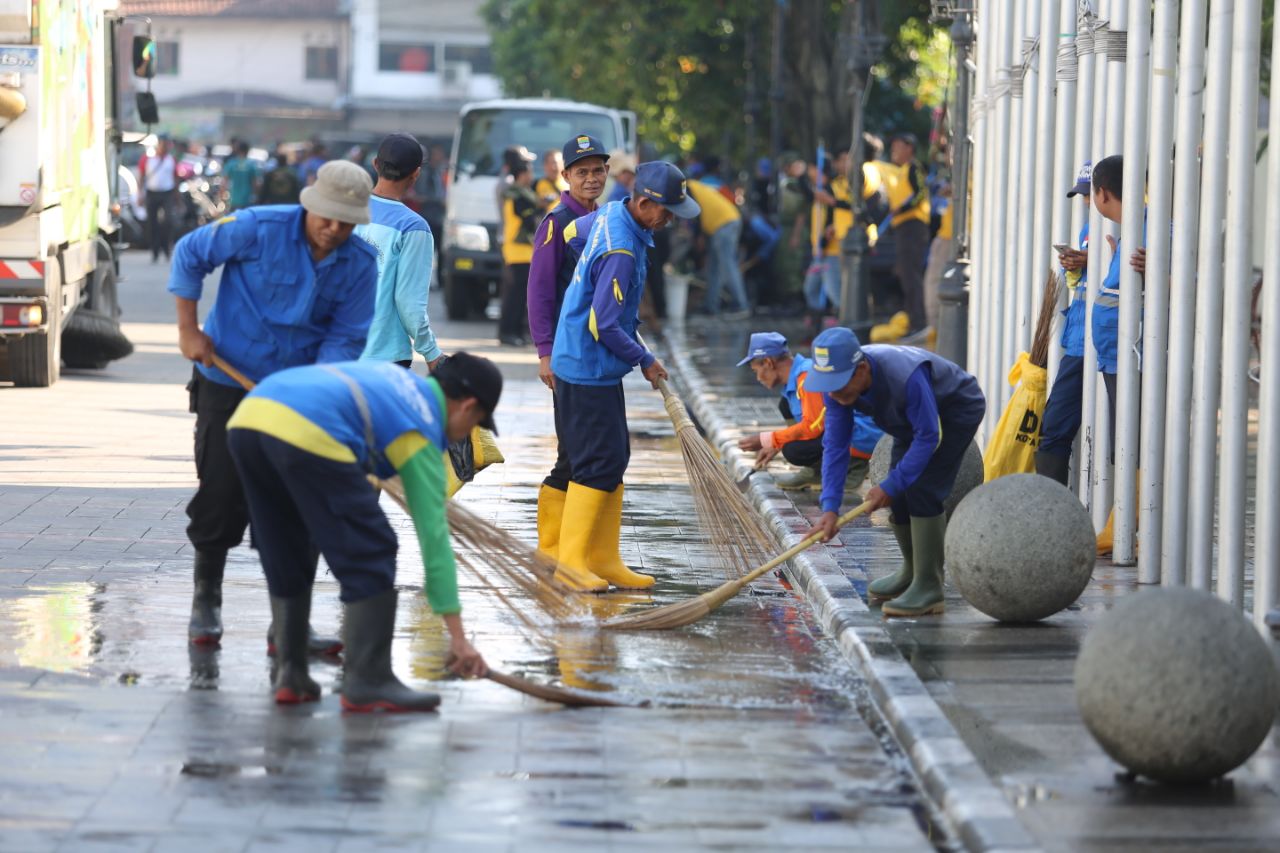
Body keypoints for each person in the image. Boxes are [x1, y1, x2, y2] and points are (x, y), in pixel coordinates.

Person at [167, 160, 379, 650]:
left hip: (297, 397)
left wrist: (310, 397)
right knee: (221, 494)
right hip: (227, 380)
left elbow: (345, 339)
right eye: (327, 217)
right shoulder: (257, 227)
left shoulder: (360, 265)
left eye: (346, 222)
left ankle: (290, 623)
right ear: (310, 203)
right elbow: (189, 254)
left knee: (298, 505)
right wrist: (187, 330)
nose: (334, 229)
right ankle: (206, 601)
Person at [226, 354, 497, 710]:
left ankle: (291, 675)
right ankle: (369, 680)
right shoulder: (420, 424)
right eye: (477, 424)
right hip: (307, 431)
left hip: (250, 417)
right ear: (468, 407)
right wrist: (459, 639)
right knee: (373, 547)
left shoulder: (394, 379)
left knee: (289, 542)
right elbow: (434, 538)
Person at [549, 162, 700, 591]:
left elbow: (571, 235)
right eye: (666, 211)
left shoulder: (611, 214)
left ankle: (603, 557)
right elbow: (604, 325)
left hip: (593, 366)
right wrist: (646, 359)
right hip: (585, 367)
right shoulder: (622, 250)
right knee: (596, 463)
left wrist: (583, 280)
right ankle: (572, 562)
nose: (669, 220)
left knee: (614, 458)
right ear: (645, 202)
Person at [805, 327, 985, 617]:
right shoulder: (835, 391)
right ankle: (912, 571)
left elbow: (928, 436)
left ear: (862, 369)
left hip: (955, 411)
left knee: (924, 489)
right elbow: (836, 446)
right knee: (899, 494)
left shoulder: (905, 378)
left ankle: (930, 586)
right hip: (905, 422)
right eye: (829, 387)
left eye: (840, 385)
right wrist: (829, 507)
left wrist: (891, 485)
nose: (836, 395)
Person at [526, 135, 610, 562]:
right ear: (566, 176)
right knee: (574, 452)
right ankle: (552, 547)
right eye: (583, 172)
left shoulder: (600, 219)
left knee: (578, 449)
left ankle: (569, 550)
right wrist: (544, 351)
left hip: (591, 355)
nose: (591, 179)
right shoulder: (557, 223)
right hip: (566, 354)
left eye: (598, 171)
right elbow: (539, 291)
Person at [1085, 154, 1146, 556]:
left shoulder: (1151, 232)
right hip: (1115, 356)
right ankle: (1121, 521)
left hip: (1132, 358)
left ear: (1102, 193)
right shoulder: (1128, 233)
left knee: (1133, 439)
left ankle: (1132, 526)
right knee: (1121, 438)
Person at [735, 331, 882, 491]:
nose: (757, 378)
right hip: (844, 431)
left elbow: (813, 427)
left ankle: (854, 467)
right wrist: (774, 445)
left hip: (863, 436)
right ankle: (817, 470)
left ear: (768, 363)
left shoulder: (806, 378)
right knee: (785, 406)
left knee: (794, 450)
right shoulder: (795, 380)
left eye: (755, 370)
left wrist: (767, 439)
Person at [356, 133, 442, 370]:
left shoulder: (344, 212)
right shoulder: (413, 227)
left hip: (338, 352)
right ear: (416, 173)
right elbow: (409, 303)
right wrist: (432, 352)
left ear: (375, 164)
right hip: (384, 356)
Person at [1035, 161, 1093, 487]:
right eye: (1082, 195)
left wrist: (1092, 261)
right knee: (1054, 425)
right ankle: (1053, 509)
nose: (1087, 202)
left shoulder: (1145, 226)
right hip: (1079, 339)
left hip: (1108, 342)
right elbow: (1078, 284)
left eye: (1090, 194)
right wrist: (1075, 265)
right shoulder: (1088, 230)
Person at [882, 133, 931, 332]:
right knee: (906, 274)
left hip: (913, 225)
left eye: (898, 146)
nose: (894, 150)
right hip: (903, 227)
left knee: (911, 275)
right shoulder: (901, 171)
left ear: (909, 148)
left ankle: (918, 324)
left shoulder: (913, 167)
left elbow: (920, 193)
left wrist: (901, 209)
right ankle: (913, 320)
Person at [687, 177, 749, 316]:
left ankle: (741, 305)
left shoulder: (688, 189)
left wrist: (697, 236)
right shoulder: (696, 186)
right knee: (714, 268)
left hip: (724, 223)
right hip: (721, 224)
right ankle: (711, 305)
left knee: (727, 265)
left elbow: (694, 213)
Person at [498, 155, 540, 346]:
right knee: (515, 296)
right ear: (522, 174)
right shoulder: (518, 195)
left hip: (522, 252)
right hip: (518, 253)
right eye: (529, 171)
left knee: (520, 296)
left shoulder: (518, 193)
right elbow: (529, 220)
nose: (532, 176)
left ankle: (516, 332)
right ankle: (508, 332)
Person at [142, 134, 178, 263]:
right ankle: (155, 251)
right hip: (152, 193)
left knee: (168, 221)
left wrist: (177, 198)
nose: (165, 147)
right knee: (152, 223)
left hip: (167, 193)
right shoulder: (148, 159)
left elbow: (175, 178)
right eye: (163, 144)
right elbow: (141, 177)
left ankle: (166, 247)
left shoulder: (171, 160)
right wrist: (140, 195)